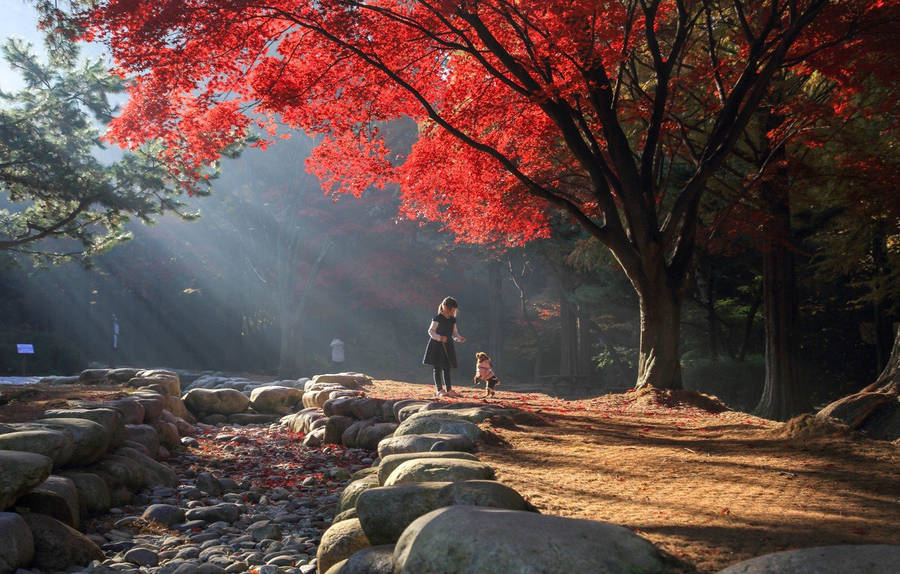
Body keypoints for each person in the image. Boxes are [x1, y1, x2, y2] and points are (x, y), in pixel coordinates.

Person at [422, 296, 466, 397]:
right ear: (446, 307)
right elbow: (431, 331)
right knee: (437, 368)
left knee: (447, 368)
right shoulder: (437, 318)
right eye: (452, 309)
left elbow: (454, 333)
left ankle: (449, 389)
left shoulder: (452, 320)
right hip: (437, 345)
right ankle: (439, 390)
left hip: (448, 345)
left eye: (454, 310)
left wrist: (459, 338)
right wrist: (439, 337)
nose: (453, 312)